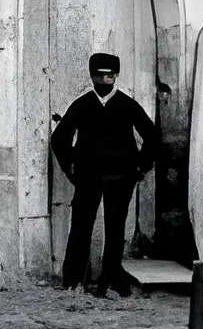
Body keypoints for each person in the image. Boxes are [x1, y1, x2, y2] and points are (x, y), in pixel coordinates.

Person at [50, 50, 159, 294]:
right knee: (80, 226)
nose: (103, 80)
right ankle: (73, 280)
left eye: (109, 76)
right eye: (98, 76)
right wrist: (71, 167)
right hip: (88, 176)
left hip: (121, 177)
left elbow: (152, 136)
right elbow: (59, 139)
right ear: (91, 77)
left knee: (115, 227)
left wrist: (140, 166)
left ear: (116, 76)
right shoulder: (82, 105)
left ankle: (110, 279)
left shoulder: (127, 105)